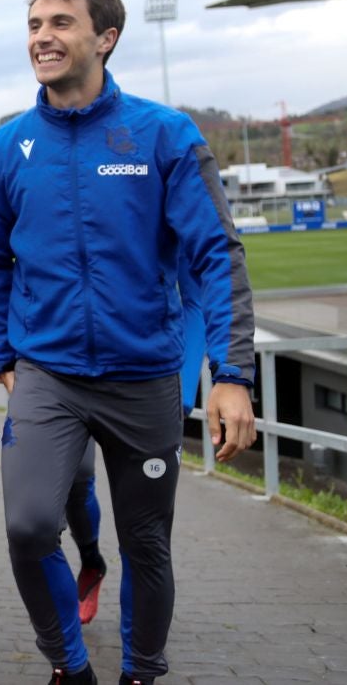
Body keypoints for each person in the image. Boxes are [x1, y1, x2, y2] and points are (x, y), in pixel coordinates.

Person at [0, 0, 258, 685]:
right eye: (35, 24)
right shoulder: (7, 148)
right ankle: (70, 665)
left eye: (60, 23)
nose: (42, 37)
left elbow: (216, 251)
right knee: (30, 524)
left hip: (144, 378)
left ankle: (142, 671)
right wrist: (4, 352)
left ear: (107, 37)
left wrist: (231, 373)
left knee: (147, 542)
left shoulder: (163, 135)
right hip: (49, 376)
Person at [61, 262, 208, 628]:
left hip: (145, 382)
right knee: (76, 483)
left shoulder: (172, 204)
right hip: (69, 375)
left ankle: (138, 646)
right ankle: (92, 560)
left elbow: (196, 296)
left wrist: (184, 388)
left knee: (142, 527)